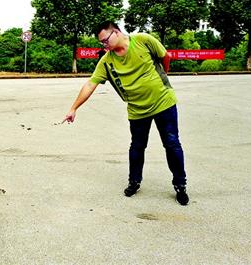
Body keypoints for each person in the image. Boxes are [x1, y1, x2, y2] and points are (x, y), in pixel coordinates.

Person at [62, 21, 189, 205]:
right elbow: (91, 84)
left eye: (105, 41)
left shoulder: (143, 40)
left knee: (171, 143)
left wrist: (162, 80)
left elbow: (165, 56)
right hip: (137, 110)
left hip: (164, 103)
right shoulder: (107, 61)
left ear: (116, 32)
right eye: (101, 43)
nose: (104, 46)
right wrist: (73, 108)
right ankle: (134, 181)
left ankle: (180, 185)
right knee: (137, 147)